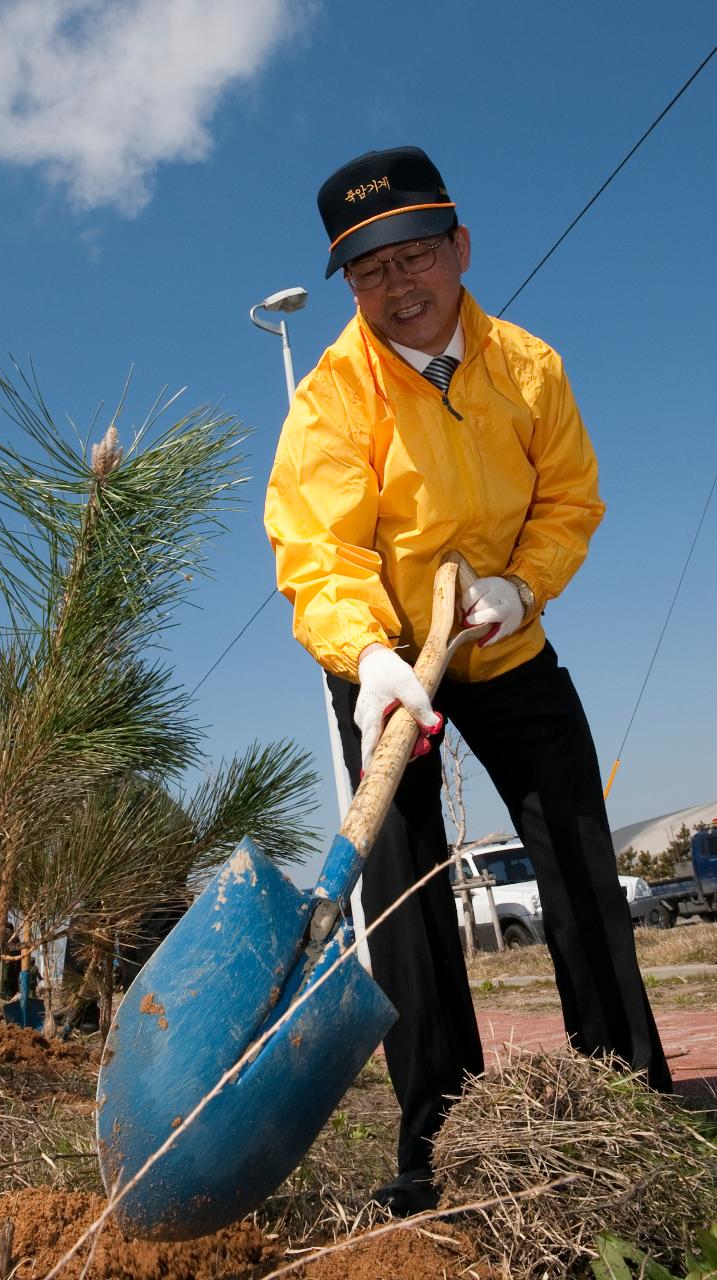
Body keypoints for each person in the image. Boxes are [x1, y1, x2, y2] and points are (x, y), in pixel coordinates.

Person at [264, 146, 672, 1217]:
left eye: (415, 256)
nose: (398, 287)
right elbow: (317, 549)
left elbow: (569, 499)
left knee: (580, 861)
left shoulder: (527, 365)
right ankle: (433, 1143)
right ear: (348, 284)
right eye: (367, 272)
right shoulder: (331, 397)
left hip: (508, 643)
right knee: (399, 899)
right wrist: (368, 654)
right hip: (394, 671)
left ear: (460, 246)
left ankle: (626, 1097)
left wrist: (522, 587)